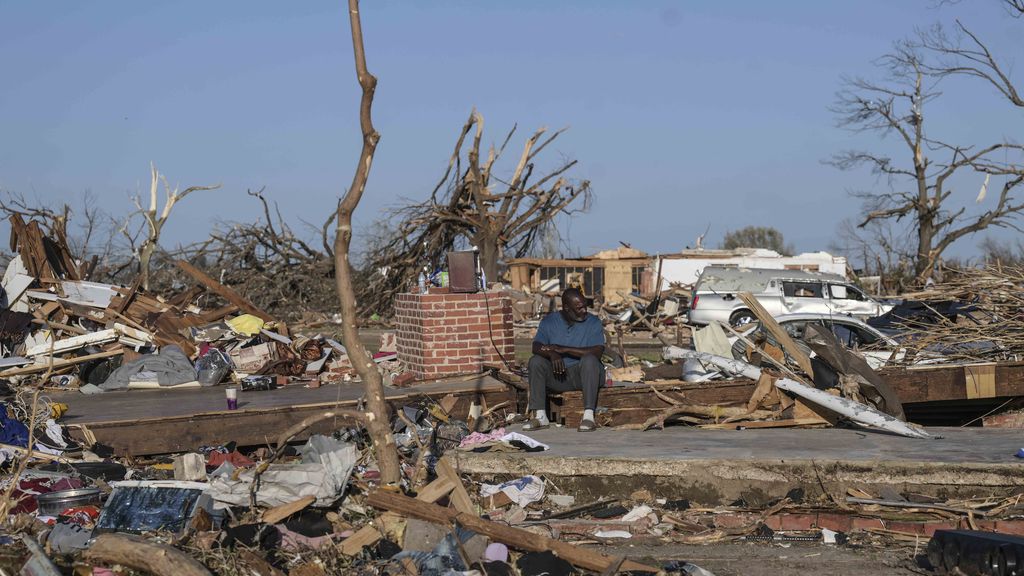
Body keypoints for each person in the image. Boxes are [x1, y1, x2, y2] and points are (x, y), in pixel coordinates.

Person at [523, 288, 605, 432]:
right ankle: (541, 416)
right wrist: (552, 354)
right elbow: (536, 346)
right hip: (559, 376)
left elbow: (597, 352)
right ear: (567, 308)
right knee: (536, 361)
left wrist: (564, 349)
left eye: (585, 306)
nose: (584, 310)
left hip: (584, 375)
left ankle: (588, 417)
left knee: (590, 360)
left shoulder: (593, 322)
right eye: (579, 308)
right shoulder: (549, 322)